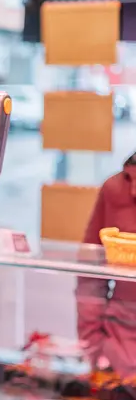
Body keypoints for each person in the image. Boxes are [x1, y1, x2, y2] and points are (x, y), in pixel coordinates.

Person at [76, 153, 136, 378]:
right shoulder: (114, 188)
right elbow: (89, 272)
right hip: (118, 348)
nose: (134, 193)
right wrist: (93, 344)